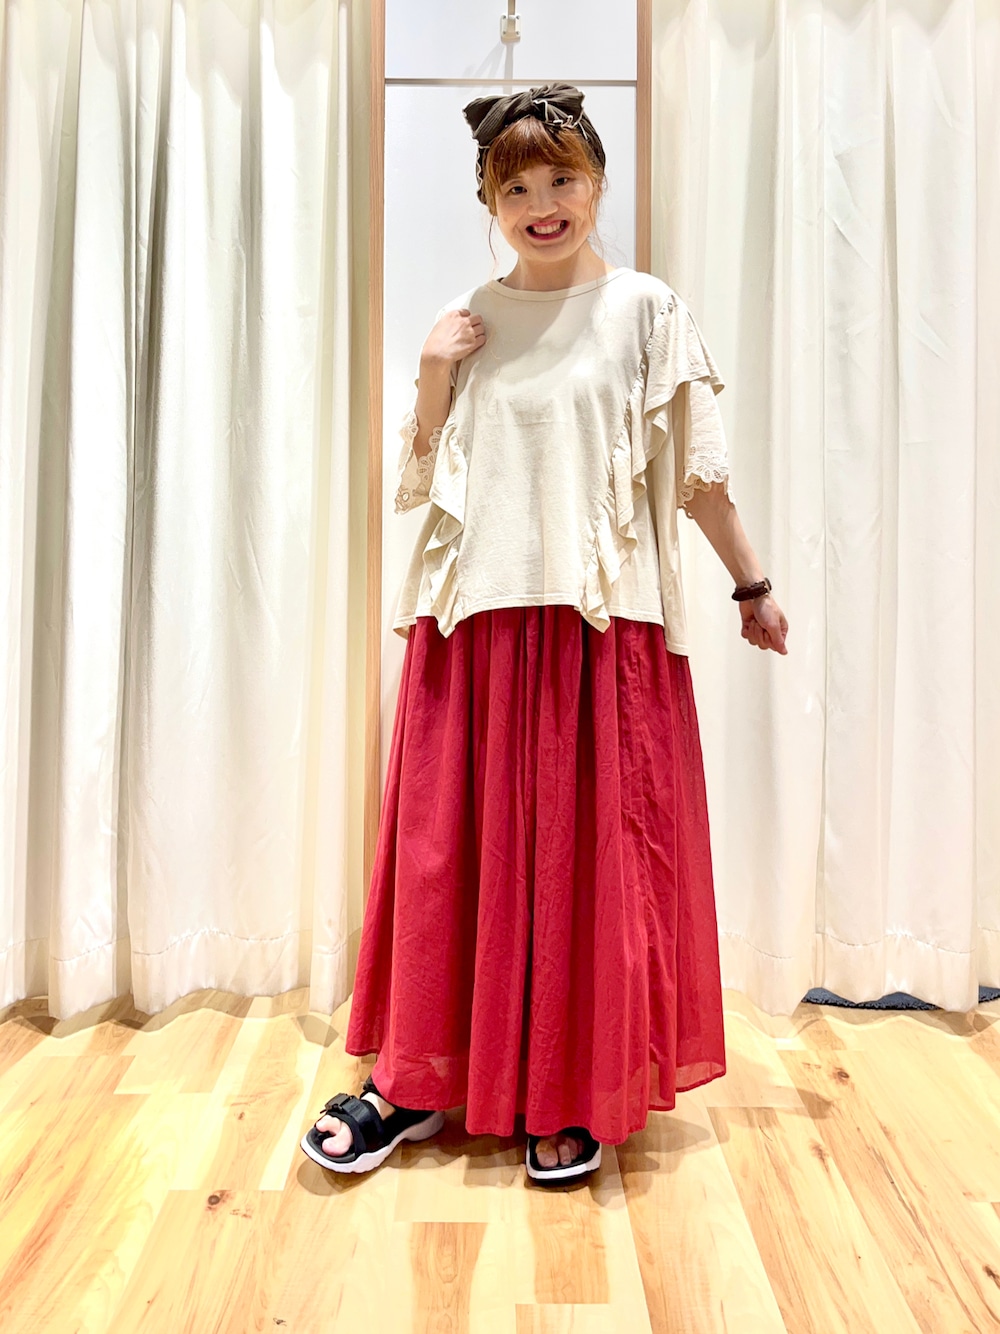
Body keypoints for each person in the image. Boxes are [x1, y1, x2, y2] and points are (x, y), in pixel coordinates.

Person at [300, 84, 788, 1183]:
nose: (541, 203)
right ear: (489, 201)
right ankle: (415, 1082)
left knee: (589, 866)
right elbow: (424, 473)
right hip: (471, 623)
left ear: (597, 181)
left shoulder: (647, 310)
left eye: (561, 178)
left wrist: (750, 584)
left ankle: (569, 1086)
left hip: (599, 626)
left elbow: (698, 474)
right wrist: (433, 367)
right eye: (515, 186)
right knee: (445, 859)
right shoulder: (469, 317)